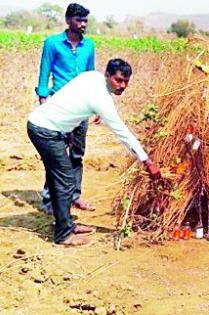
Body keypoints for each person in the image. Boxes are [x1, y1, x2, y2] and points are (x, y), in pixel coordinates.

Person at [27, 59, 161, 247]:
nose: (123, 86)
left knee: (61, 179)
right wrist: (147, 161)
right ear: (107, 75)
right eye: (119, 80)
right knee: (65, 180)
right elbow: (123, 133)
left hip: (47, 127)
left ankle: (66, 224)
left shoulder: (92, 77)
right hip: (45, 131)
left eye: (126, 81)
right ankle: (63, 235)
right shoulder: (101, 100)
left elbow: (71, 99)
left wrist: (68, 128)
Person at [36, 3, 95, 213]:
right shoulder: (52, 43)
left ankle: (74, 196)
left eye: (85, 20)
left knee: (77, 154)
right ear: (68, 20)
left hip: (82, 107)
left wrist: (95, 105)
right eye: (79, 20)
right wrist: (43, 100)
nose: (83, 24)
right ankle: (49, 199)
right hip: (59, 106)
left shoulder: (89, 46)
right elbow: (44, 73)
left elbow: (91, 76)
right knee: (57, 153)